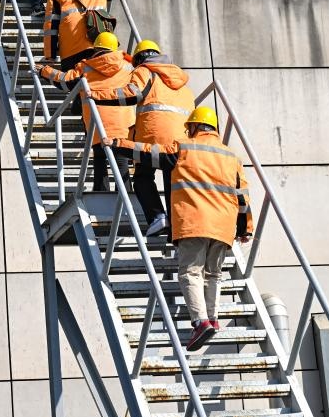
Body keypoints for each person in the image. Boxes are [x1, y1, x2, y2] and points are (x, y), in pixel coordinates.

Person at [103, 106, 253, 351]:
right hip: (223, 227)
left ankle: (200, 322)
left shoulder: (184, 147)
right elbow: (242, 196)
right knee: (213, 275)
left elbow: (149, 152)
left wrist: (118, 143)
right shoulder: (231, 157)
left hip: (194, 222)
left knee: (191, 272)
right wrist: (245, 228)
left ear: (194, 127)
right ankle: (213, 319)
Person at [90, 39, 193, 237]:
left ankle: (157, 216)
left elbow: (131, 93)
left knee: (142, 177)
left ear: (139, 59)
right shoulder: (182, 83)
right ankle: (176, 229)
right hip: (181, 143)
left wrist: (96, 96)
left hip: (153, 137)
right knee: (173, 182)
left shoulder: (145, 70)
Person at [35, 32, 152, 192]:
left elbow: (65, 81)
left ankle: (101, 192)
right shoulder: (129, 66)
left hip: (97, 124)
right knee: (122, 161)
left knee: (100, 158)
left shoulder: (86, 67)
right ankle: (125, 198)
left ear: (96, 48)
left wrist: (44, 71)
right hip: (125, 125)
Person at [42, 0, 127, 72]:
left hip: (71, 51)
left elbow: (51, 26)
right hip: (99, 45)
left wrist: (50, 54)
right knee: (98, 82)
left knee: (74, 85)